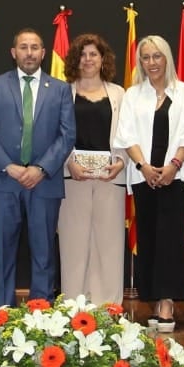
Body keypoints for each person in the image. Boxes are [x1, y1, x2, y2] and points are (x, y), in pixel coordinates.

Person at [0, 27, 75, 307]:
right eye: (23, 47)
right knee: (2, 253)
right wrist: (9, 166)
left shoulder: (60, 89)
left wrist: (41, 169)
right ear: (13, 52)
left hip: (44, 182)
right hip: (3, 181)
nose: (29, 52)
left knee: (43, 251)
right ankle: (1, 314)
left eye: (34, 47)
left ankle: (41, 314)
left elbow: (67, 135)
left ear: (43, 53)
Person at [112, 35, 184, 331]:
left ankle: (167, 303)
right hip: (143, 178)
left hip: (174, 178)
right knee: (149, 240)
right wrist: (144, 166)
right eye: (146, 57)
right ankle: (152, 300)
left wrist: (173, 166)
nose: (151, 63)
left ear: (167, 58)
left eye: (157, 56)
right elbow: (125, 136)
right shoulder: (132, 95)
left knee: (171, 242)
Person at [58, 33, 128, 308]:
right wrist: (68, 162)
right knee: (73, 246)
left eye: (94, 54)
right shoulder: (64, 91)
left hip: (111, 177)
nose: (88, 59)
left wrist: (121, 161)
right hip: (72, 177)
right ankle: (74, 308)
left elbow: (127, 133)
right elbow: (56, 133)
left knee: (109, 246)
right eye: (83, 54)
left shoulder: (120, 94)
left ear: (103, 59)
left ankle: (108, 307)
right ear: (76, 59)